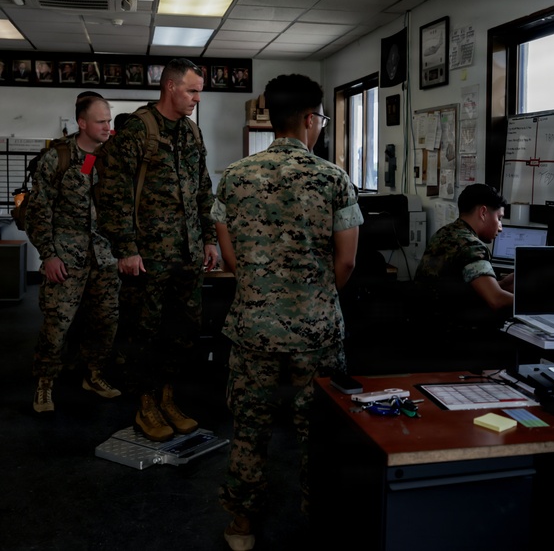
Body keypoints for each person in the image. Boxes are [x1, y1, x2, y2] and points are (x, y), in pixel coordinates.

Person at [212, 73, 362, 551]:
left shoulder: (235, 176)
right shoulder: (334, 178)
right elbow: (347, 262)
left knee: (249, 427)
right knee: (319, 430)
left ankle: (241, 525)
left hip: (252, 327)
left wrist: (262, 291)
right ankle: (320, 519)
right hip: (316, 331)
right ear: (308, 119)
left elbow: (230, 257)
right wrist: (313, 297)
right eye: (321, 118)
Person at [94, 58, 218, 442]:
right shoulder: (138, 130)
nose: (197, 98)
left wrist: (209, 238)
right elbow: (112, 193)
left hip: (187, 255)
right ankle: (145, 403)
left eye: (199, 91)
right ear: (170, 87)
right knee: (143, 334)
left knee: (181, 333)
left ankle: (167, 398)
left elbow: (203, 189)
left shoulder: (191, 133)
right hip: (148, 257)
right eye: (192, 90)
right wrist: (126, 248)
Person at [30, 92, 121, 413]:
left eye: (109, 120)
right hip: (66, 258)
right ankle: (44, 383)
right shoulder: (57, 158)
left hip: (105, 256)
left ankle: (93, 375)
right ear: (82, 123)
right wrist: (49, 255)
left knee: (106, 321)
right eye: (101, 122)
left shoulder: (114, 157)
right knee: (57, 325)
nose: (107, 127)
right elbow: (39, 211)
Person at [415, 183, 515, 320]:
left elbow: (459, 288)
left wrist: (502, 284)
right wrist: (539, 301)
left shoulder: (445, 232)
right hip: (451, 328)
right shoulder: (471, 245)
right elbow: (496, 300)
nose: (500, 228)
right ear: (483, 213)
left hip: (424, 322)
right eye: (499, 218)